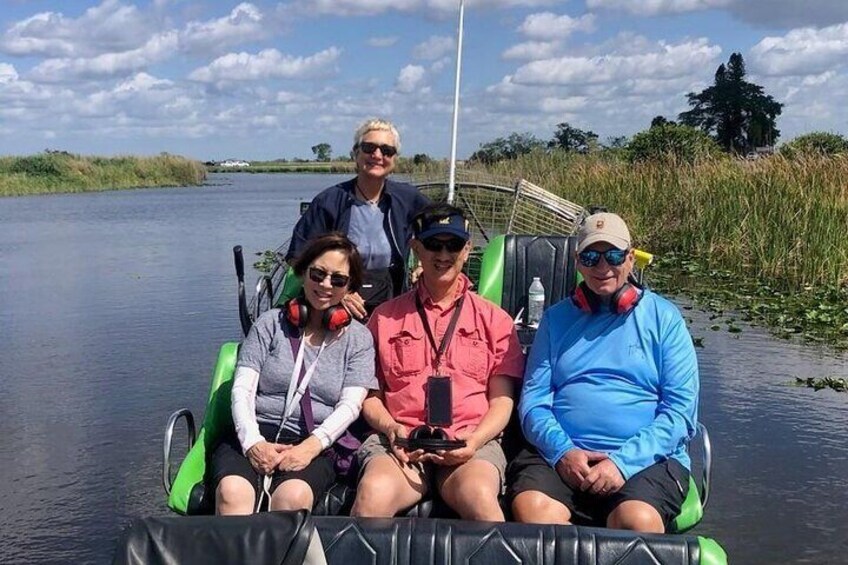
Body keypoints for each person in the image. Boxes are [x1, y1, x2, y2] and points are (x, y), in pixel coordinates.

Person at [508, 212, 699, 533]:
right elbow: (533, 404)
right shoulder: (555, 320)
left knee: (637, 521)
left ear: (630, 258)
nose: (602, 267)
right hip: (562, 457)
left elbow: (680, 413)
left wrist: (622, 464)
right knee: (532, 512)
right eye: (591, 257)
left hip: (645, 461)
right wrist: (563, 451)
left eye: (613, 255)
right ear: (578, 262)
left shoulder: (665, 319)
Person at [351, 204, 525, 521]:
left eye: (453, 244)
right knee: (372, 494)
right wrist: (392, 429)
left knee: (480, 498)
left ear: (468, 249)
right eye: (433, 244)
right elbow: (370, 395)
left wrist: (474, 441)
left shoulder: (495, 320)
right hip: (400, 445)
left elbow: (501, 400)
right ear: (416, 248)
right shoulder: (384, 317)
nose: (443, 254)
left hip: (468, 444)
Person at [211, 233, 377, 515]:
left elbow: (350, 406)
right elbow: (243, 389)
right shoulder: (269, 325)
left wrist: (311, 447)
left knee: (292, 496)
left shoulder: (359, 339)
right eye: (318, 273)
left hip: (315, 440)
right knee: (232, 492)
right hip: (256, 430)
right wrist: (252, 443)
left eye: (338, 280)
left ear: (350, 287)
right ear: (303, 272)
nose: (325, 285)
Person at [285, 118, 431, 319]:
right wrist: (338, 290)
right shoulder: (329, 201)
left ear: (394, 159)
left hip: (392, 298)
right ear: (356, 153)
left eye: (386, 150)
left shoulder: (407, 198)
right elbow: (297, 256)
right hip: (336, 302)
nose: (377, 155)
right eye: (369, 147)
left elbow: (441, 226)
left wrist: (424, 263)